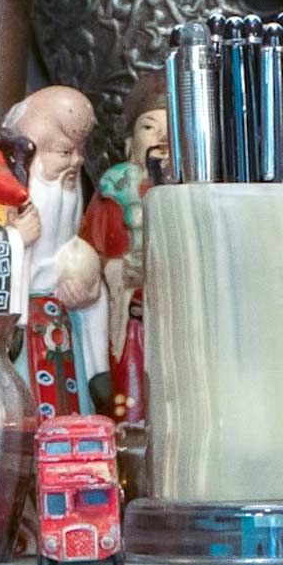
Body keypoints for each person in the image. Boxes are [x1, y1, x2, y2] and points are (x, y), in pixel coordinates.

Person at [0, 86, 109, 419]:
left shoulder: (73, 211)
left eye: (79, 153)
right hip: (20, 346)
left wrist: (91, 294)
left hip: (67, 336)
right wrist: (14, 241)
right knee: (24, 423)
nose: (75, 162)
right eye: (64, 152)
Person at [79, 78, 168, 427]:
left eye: (171, 129)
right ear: (131, 142)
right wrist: (113, 271)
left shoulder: (191, 190)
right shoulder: (112, 192)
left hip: (177, 315)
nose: (162, 139)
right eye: (150, 127)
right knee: (129, 390)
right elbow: (88, 251)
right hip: (129, 315)